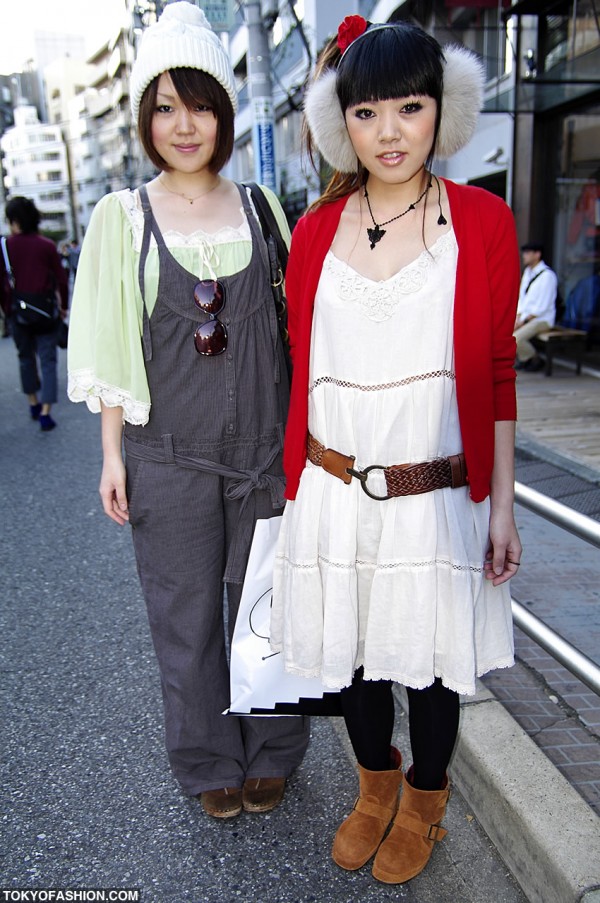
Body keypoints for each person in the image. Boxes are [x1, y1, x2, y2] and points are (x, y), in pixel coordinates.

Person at [270, 15, 522, 886]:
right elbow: (305, 370)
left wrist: (504, 507)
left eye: (409, 108)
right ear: (343, 121)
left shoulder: (482, 221)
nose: (389, 133)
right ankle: (373, 790)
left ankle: (425, 799)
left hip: (439, 489)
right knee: (356, 658)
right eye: (367, 112)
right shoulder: (312, 234)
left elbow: (496, 366)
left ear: (441, 110)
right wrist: (296, 486)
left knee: (430, 666)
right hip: (335, 483)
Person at [67, 2, 309, 819]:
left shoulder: (265, 209)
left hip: (265, 454)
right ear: (143, 117)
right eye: (164, 105)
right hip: (164, 455)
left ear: (224, 112)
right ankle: (207, 758)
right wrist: (111, 456)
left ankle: (273, 747)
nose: (183, 123)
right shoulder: (121, 219)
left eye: (199, 102)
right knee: (186, 614)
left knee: (270, 602)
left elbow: (294, 335)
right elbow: (108, 347)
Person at [0, 196, 68, 430]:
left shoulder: (6, 246)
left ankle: (33, 403)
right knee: (48, 360)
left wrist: (6, 310)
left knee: (25, 358)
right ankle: (47, 413)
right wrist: (63, 307)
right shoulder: (47, 246)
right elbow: (61, 280)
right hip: (46, 313)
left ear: (14, 221)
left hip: (17, 314)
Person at [514, 242, 558, 371]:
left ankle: (535, 359)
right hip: (526, 317)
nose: (524, 256)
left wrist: (523, 321)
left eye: (528, 253)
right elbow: (522, 298)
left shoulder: (547, 276)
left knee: (516, 339)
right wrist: (518, 317)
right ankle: (525, 359)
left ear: (537, 254)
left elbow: (542, 307)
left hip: (541, 319)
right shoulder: (528, 273)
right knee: (505, 334)